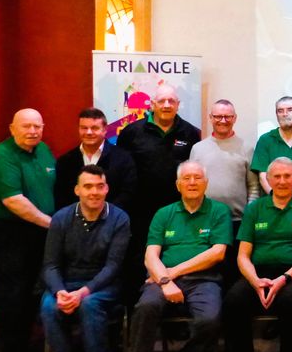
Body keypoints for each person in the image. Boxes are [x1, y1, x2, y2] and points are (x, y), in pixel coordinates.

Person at [127, 161, 232, 352]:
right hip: (161, 280)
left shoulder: (219, 211)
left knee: (210, 321)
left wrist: (172, 272)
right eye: (186, 178)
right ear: (177, 184)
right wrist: (165, 281)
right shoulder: (164, 214)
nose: (192, 182)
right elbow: (150, 256)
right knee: (145, 308)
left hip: (204, 281)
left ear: (206, 183)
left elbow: (217, 253)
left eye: (197, 178)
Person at [223, 158, 292, 352]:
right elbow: (243, 255)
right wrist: (255, 281)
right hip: (256, 273)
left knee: (291, 301)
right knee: (233, 302)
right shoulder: (254, 209)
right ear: (268, 179)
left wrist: (283, 280)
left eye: (287, 176)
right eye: (277, 176)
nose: (282, 181)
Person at [0, 108, 56, 352]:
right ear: (12, 129)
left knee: (31, 292)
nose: (32, 131)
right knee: (9, 295)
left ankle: (23, 347)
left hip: (37, 232)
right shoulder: (0, 156)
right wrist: (52, 224)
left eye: (37, 126)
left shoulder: (44, 151)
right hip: (6, 233)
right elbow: (13, 201)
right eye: (26, 126)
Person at [40, 165, 131, 352]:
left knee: (90, 305)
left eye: (99, 186)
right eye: (88, 187)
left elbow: (113, 266)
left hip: (105, 285)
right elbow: (50, 265)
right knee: (48, 307)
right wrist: (61, 291)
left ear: (107, 189)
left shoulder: (120, 219)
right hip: (66, 282)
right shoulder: (61, 218)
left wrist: (83, 292)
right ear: (77, 190)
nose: (94, 192)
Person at [116, 84, 202, 252]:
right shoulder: (131, 132)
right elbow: (122, 171)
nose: (167, 105)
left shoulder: (190, 133)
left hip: (178, 208)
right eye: (162, 101)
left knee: (175, 252)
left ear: (178, 104)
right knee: (141, 254)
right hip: (140, 209)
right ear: (152, 104)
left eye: (171, 101)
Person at [190, 99, 260, 227]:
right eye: (218, 116)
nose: (223, 121)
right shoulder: (197, 149)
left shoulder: (247, 148)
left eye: (228, 117)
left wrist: (249, 215)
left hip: (238, 221)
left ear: (235, 118)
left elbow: (254, 187)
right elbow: (190, 185)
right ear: (211, 118)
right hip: (203, 220)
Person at [54, 107, 137, 211]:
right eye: (84, 128)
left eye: (94, 128)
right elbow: (61, 196)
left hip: (112, 221)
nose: (89, 132)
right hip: (75, 223)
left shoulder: (123, 159)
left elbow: (128, 193)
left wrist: (106, 215)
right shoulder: (65, 161)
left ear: (105, 130)